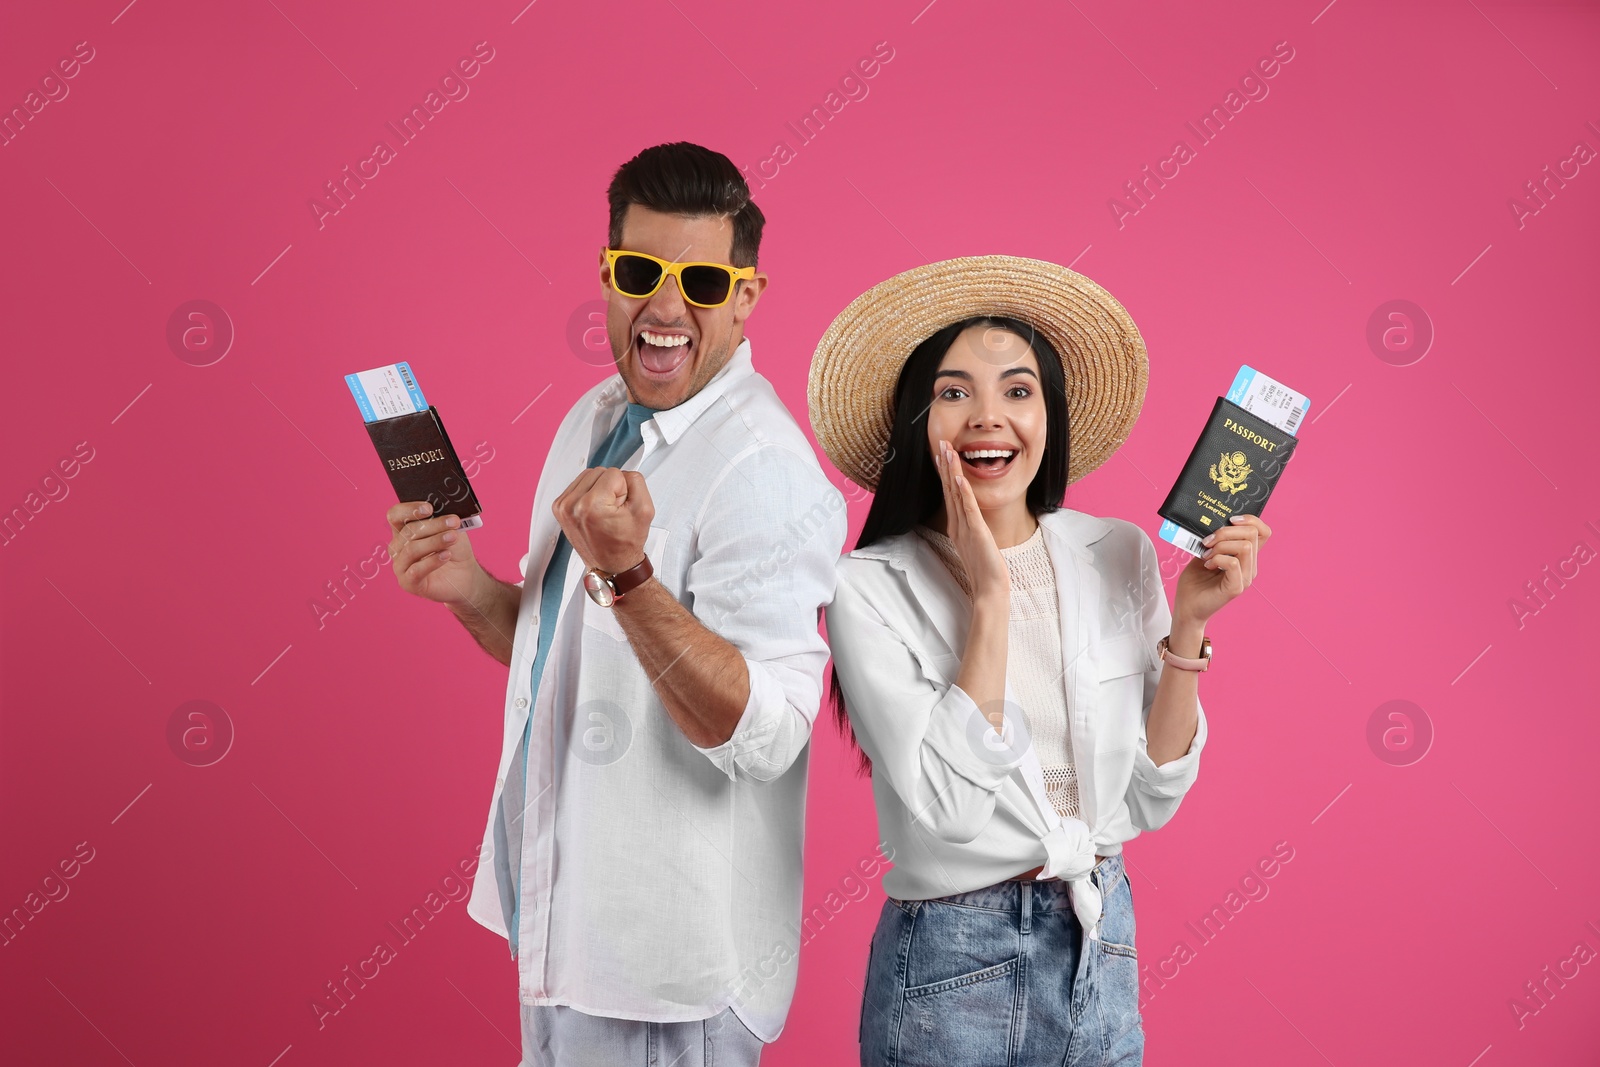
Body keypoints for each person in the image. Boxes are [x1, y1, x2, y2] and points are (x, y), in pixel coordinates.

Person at [385, 142, 846, 1066]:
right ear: (605, 276)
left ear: (746, 296)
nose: (666, 308)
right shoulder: (594, 419)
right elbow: (555, 649)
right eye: (640, 272)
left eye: (703, 283)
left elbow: (769, 734)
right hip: (564, 943)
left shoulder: (766, 473)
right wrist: (467, 588)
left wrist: (632, 580)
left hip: (667, 984)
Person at [808, 255, 1272, 1066]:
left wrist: (1189, 621)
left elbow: (1149, 795)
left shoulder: (1114, 552)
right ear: (921, 419)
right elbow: (950, 810)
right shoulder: (868, 587)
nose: (990, 417)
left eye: (1018, 391)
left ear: (1050, 417)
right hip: (954, 956)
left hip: (1101, 934)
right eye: (955, 392)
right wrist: (990, 596)